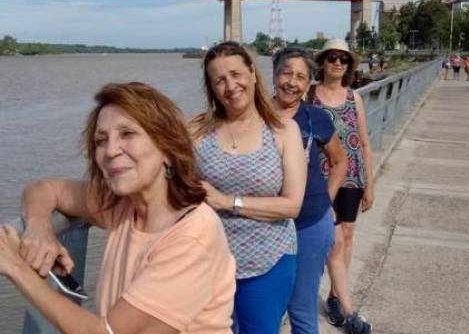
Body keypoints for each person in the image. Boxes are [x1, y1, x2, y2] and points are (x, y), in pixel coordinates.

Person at [0, 82, 236, 334]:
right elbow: (43, 189)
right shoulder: (123, 205)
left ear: (167, 148)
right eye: (101, 140)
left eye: (127, 134)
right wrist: (39, 228)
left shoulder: (192, 235)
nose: (111, 150)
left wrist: (15, 267)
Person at [190, 41, 307, 334]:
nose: (230, 86)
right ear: (212, 89)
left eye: (236, 74)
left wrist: (227, 201)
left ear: (253, 73)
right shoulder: (196, 130)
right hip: (208, 264)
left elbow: (292, 205)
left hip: (269, 264)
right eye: (219, 80)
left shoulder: (283, 130)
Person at [271, 47, 348, 334]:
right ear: (274, 75)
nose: (292, 82)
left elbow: (339, 161)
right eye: (286, 73)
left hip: (309, 223)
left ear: (308, 84)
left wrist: (326, 199)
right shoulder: (255, 115)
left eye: (300, 77)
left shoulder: (315, 117)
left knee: (302, 308)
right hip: (265, 223)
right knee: (263, 306)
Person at [307, 38, 373, 334]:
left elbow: (364, 142)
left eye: (343, 59)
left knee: (345, 234)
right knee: (319, 235)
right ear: (321, 62)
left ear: (348, 66)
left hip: (351, 176)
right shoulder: (308, 95)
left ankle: (335, 295)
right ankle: (305, 292)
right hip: (316, 179)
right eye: (332, 57)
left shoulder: (353, 98)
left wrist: (369, 184)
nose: (337, 63)